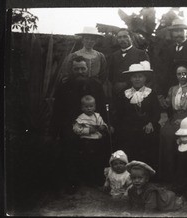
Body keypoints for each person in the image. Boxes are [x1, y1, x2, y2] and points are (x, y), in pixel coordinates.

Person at [49, 55, 107, 194]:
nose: (80, 72)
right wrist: (55, 131)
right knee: (69, 142)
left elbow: (103, 108)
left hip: (93, 122)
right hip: (70, 124)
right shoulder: (64, 86)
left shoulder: (96, 85)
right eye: (76, 69)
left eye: (82, 68)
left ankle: (94, 178)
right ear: (71, 70)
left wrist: (104, 125)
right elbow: (57, 111)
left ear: (87, 69)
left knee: (99, 142)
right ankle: (72, 181)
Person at [159, 60, 187, 182]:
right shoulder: (173, 89)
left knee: (176, 136)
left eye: (184, 73)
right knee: (164, 133)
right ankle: (168, 175)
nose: (181, 76)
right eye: (179, 74)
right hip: (174, 118)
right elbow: (167, 105)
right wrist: (160, 100)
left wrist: (184, 119)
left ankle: (182, 175)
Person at [113, 61, 160, 171]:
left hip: (146, 125)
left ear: (145, 78)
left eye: (140, 76)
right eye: (134, 77)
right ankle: (129, 170)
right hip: (129, 126)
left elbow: (156, 111)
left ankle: (147, 170)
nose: (137, 79)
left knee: (149, 136)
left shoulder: (151, 93)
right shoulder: (124, 93)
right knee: (126, 137)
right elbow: (119, 113)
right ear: (130, 79)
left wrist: (151, 122)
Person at [156, 18, 187, 99]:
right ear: (172, 33)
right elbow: (165, 72)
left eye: (181, 31)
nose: (178, 34)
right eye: (176, 31)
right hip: (173, 89)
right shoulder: (169, 49)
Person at [72, 95, 109, 189]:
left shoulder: (97, 116)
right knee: (88, 160)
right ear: (82, 107)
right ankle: (89, 180)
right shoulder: (81, 118)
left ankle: (98, 178)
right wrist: (88, 131)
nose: (89, 108)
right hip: (87, 142)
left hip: (98, 141)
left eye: (91, 106)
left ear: (95, 106)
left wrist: (103, 127)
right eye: (86, 107)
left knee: (98, 160)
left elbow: (103, 124)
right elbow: (76, 129)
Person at [108, 28, 150, 97]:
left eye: (125, 36)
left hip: (135, 93)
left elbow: (147, 75)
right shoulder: (113, 56)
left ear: (131, 38)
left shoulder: (141, 54)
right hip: (117, 94)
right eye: (119, 37)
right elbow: (110, 75)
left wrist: (126, 83)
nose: (122, 39)